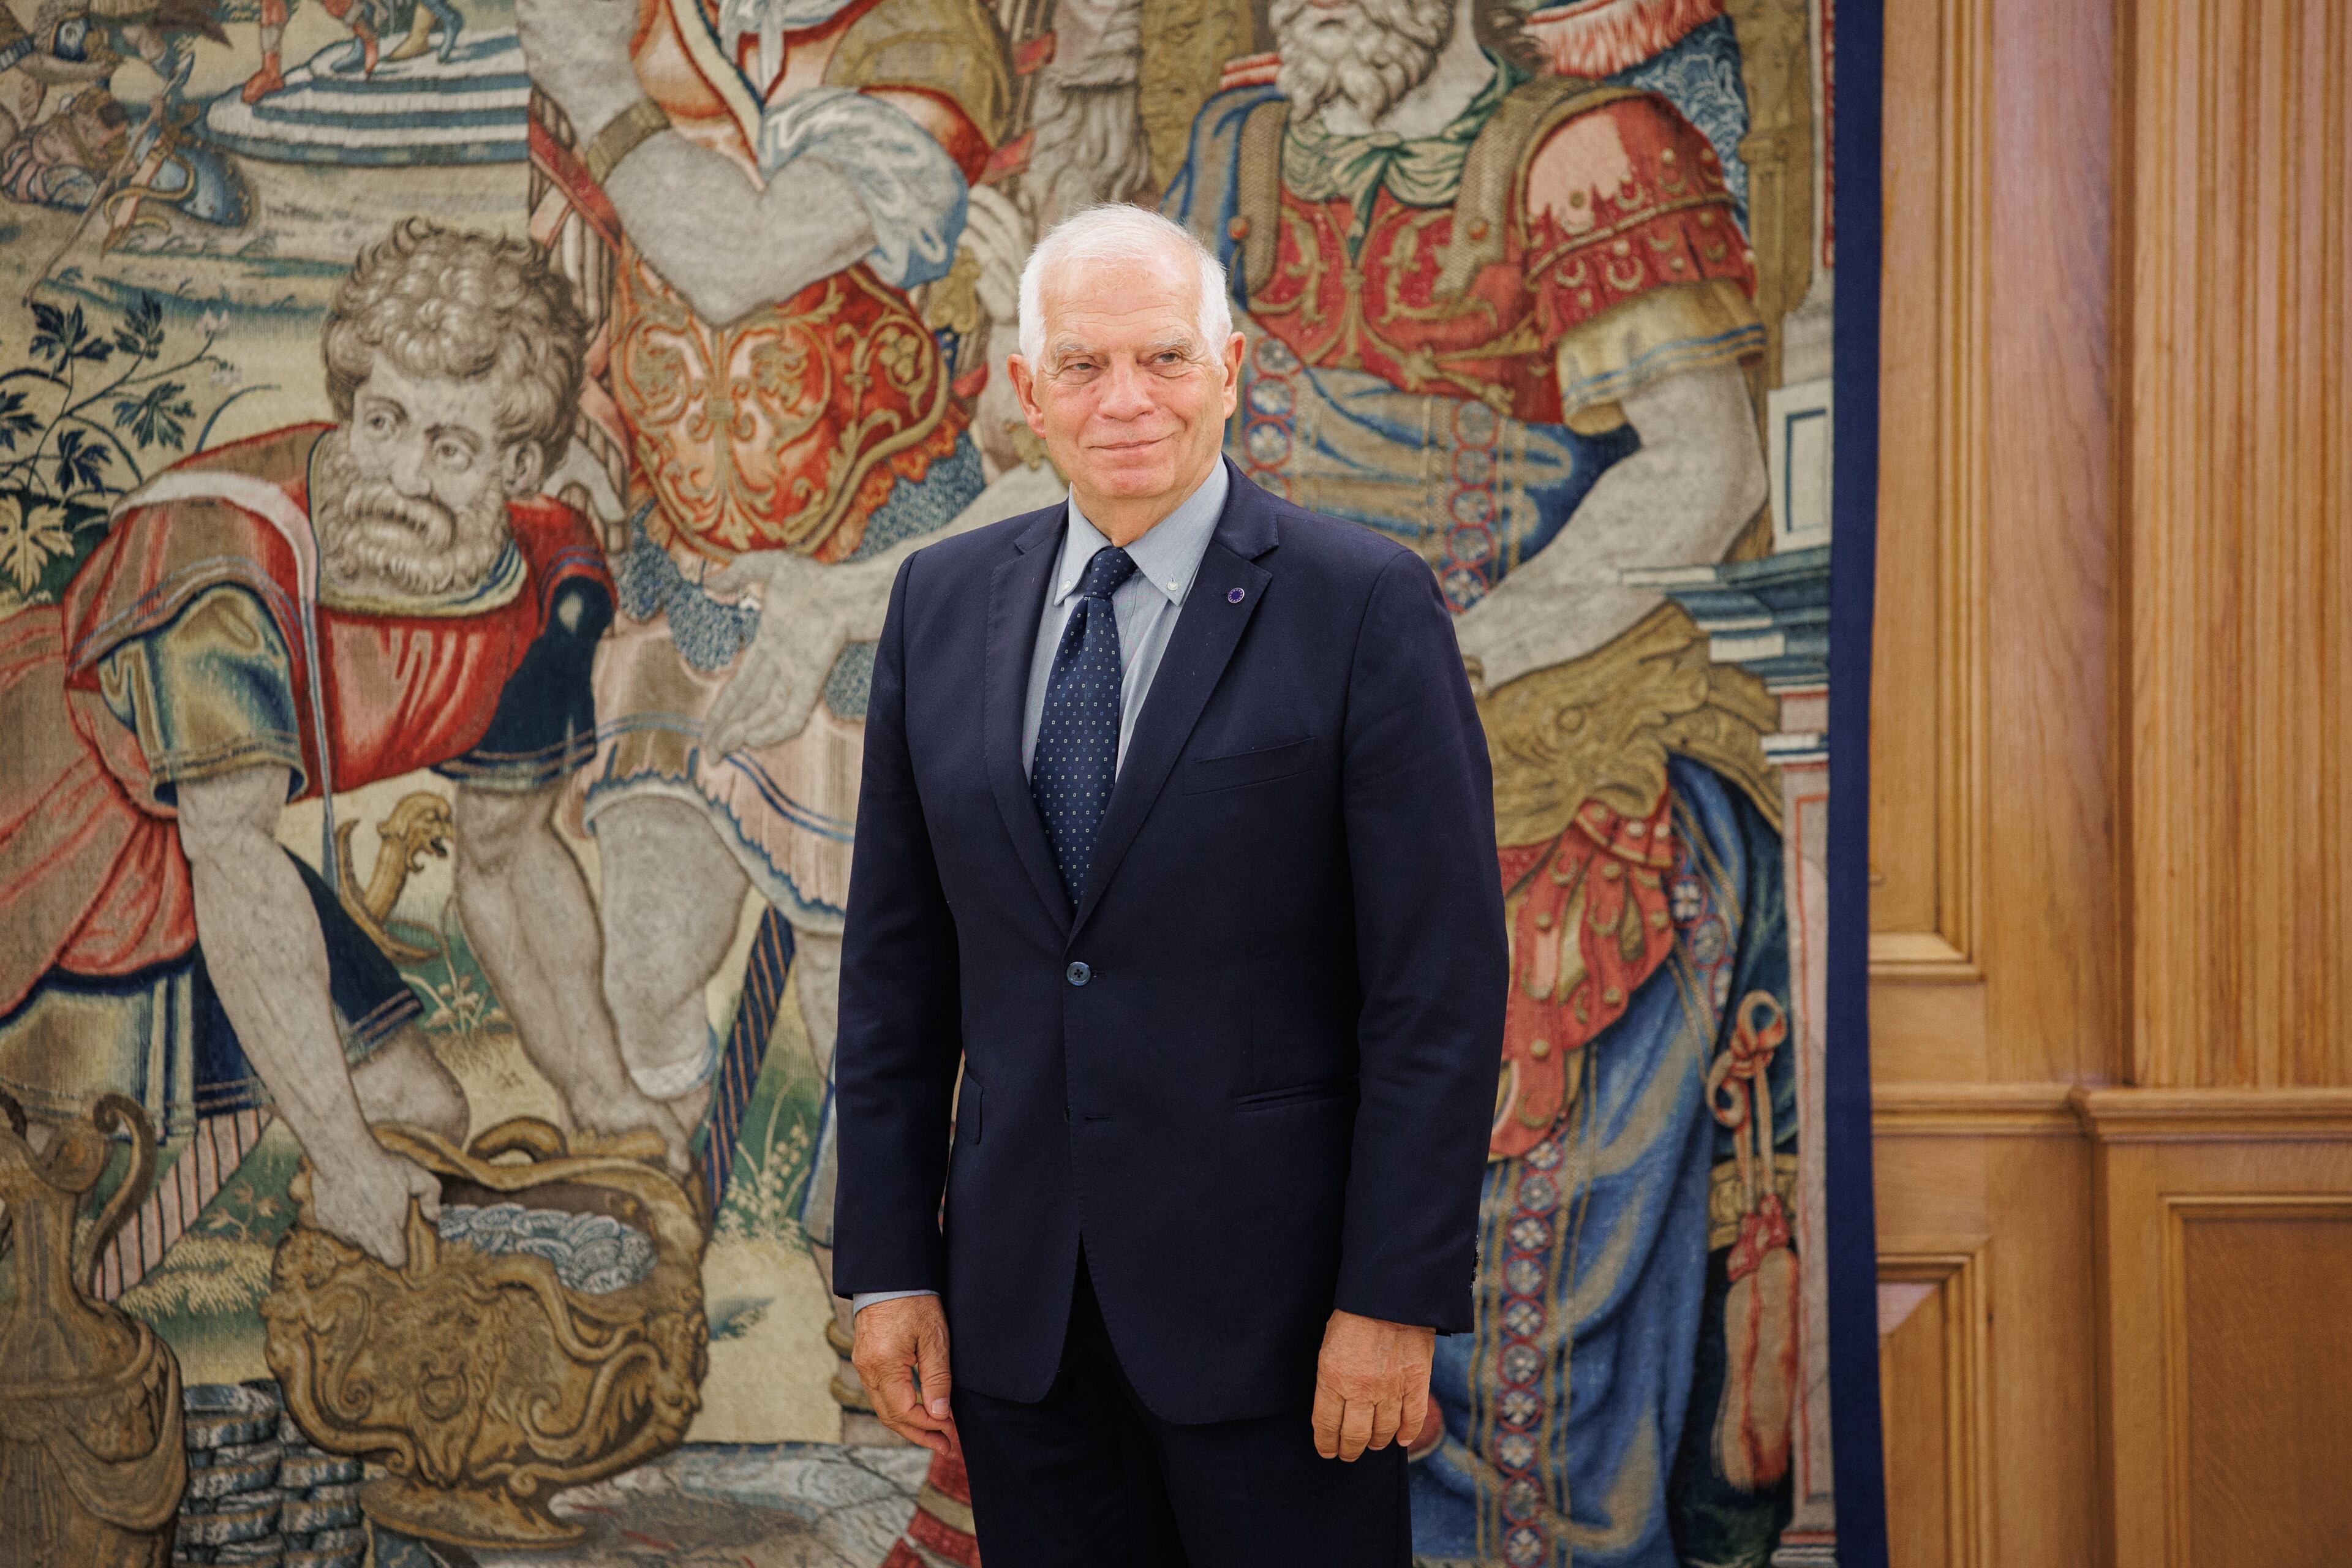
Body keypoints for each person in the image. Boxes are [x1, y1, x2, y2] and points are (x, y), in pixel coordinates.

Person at [1162, 0, 1804, 1558]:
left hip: (1547, 758)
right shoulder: (1236, 153)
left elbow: (1707, 463)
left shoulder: (1585, 153)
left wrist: (1453, 658)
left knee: (1510, 1293)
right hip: (1273, 766)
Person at [832, 203, 1508, 1562]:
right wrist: (891, 1265)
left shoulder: (1363, 603)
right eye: (1082, 365)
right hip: (1023, 1327)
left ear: (1231, 369)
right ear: (1028, 392)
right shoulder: (938, 604)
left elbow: (1437, 992)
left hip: (1287, 1329)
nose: (1125, 399)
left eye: (1164, 358)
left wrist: (1393, 1298)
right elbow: (897, 978)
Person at [0, 219, 685, 1271]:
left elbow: (507, 860)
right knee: (66, 1193)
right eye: (383, 422)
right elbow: (231, 858)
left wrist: (603, 1095)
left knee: (422, 1115)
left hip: (208, 841)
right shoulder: (225, 561)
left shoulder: (542, 583)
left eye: (449, 448)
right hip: (67, 817)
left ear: (518, 466)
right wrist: (341, 1156)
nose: (402, 476)